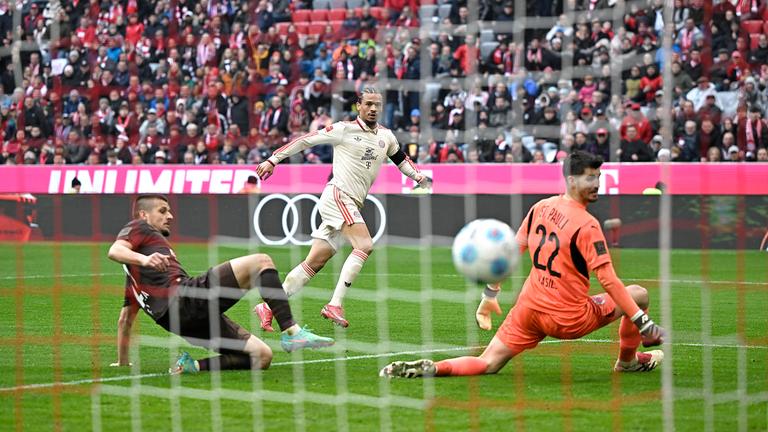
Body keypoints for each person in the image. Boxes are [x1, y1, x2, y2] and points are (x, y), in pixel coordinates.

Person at [380, 151, 665, 378]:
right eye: (590, 178)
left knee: (488, 363)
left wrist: (489, 296)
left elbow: (511, 252)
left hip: (529, 309)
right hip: (567, 318)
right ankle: (627, 363)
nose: (597, 184)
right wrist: (644, 323)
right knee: (639, 293)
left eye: (598, 177)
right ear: (571, 181)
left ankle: (436, 367)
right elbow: (609, 281)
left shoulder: (541, 207)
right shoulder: (587, 224)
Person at [254, 87, 432, 328]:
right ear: (358, 106)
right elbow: (305, 140)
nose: (372, 109)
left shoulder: (386, 136)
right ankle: (334, 304)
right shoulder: (343, 130)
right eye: (368, 104)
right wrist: (273, 159)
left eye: (376, 105)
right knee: (365, 245)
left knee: (314, 262)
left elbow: (400, 159)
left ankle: (268, 306)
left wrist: (418, 177)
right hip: (338, 195)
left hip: (351, 201)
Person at [108, 195, 333, 374]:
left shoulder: (135, 283)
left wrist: (122, 362)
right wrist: (144, 259)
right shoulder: (140, 227)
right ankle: (292, 331)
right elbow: (115, 250)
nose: (170, 216)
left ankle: (193, 366)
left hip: (183, 324)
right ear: (143, 214)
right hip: (185, 300)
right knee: (261, 262)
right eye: (163, 211)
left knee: (262, 356)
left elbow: (124, 320)